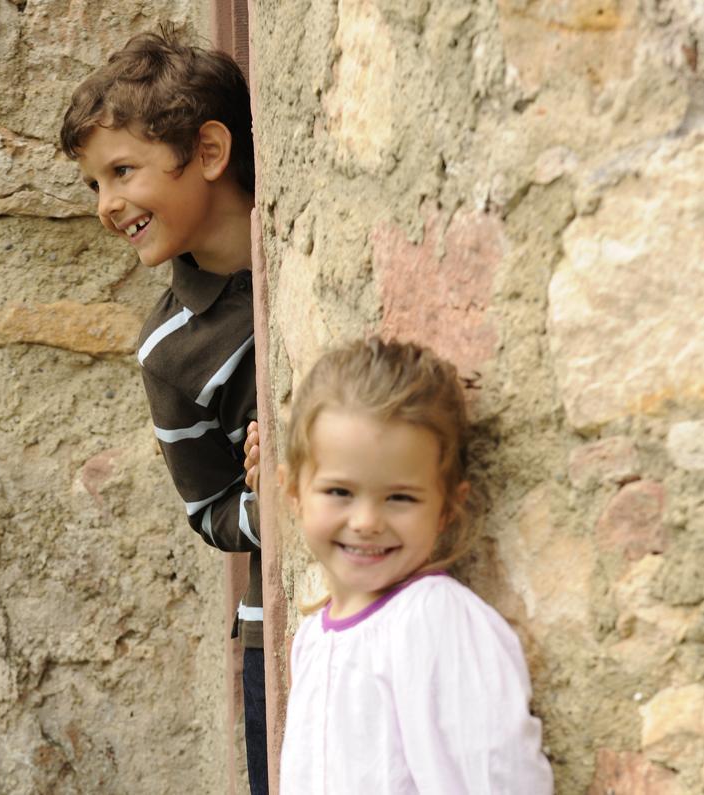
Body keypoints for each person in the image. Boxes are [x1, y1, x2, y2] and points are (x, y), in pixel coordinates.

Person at [60, 27, 268, 794]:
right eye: (94, 184)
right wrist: (267, 502)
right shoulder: (167, 348)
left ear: (208, 153)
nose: (108, 205)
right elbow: (210, 508)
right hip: (273, 645)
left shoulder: (308, 247)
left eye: (121, 171)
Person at [247, 337, 553, 793]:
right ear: (293, 493)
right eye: (339, 492)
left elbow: (500, 779)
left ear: (448, 506)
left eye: (401, 498)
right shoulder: (311, 640)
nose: (367, 521)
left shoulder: (435, 621)